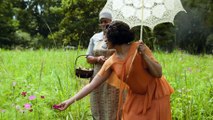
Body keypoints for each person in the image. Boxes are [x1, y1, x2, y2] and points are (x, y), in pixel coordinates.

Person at [55, 21, 174, 120]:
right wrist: (69, 101)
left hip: (155, 95)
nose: (104, 39)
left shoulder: (139, 48)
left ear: (115, 38)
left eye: (107, 36)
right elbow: (91, 86)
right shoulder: (111, 61)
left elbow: (158, 73)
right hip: (135, 98)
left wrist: (144, 55)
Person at [85, 11, 119, 120]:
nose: (104, 24)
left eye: (106, 21)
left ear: (112, 22)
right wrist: (97, 59)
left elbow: (123, 54)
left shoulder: (118, 37)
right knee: (97, 101)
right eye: (102, 22)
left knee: (113, 103)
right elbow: (88, 57)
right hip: (97, 74)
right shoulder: (95, 38)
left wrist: (112, 60)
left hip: (114, 75)